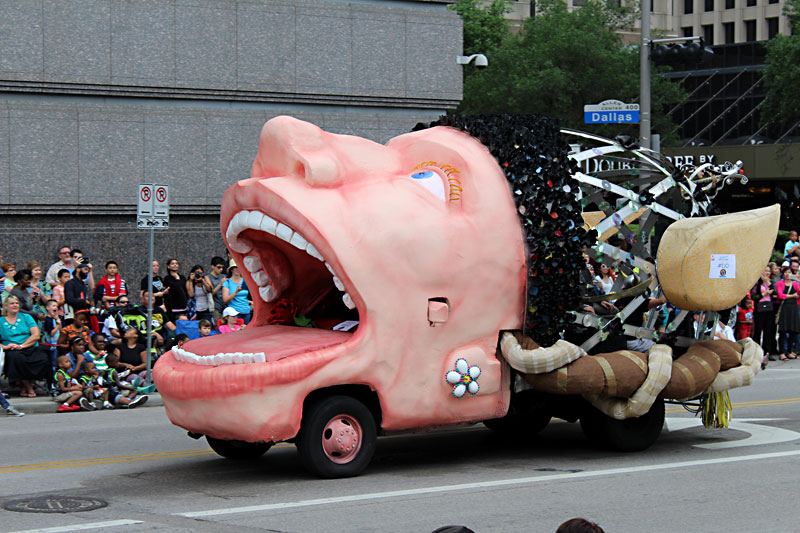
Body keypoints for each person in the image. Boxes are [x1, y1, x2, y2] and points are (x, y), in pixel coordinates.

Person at [0, 295, 50, 397]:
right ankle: (28, 387)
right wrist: (4, 347)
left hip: (28, 345)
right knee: (17, 359)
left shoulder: (26, 317)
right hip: (10, 348)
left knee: (43, 359)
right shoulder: (1, 321)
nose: (15, 305)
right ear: (6, 306)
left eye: (17, 303)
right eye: (12, 303)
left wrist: (22, 346)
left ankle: (26, 385)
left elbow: (36, 335)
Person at [751, 267, 777, 363]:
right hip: (759, 309)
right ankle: (756, 353)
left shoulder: (772, 282)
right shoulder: (757, 283)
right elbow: (753, 296)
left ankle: (767, 352)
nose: (767, 273)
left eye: (768, 271)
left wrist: (768, 283)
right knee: (758, 331)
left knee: (768, 331)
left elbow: (776, 293)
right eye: (765, 271)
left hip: (769, 308)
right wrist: (764, 294)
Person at [776, 265, 800, 360]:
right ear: (782, 274)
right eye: (786, 272)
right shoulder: (780, 283)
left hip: (794, 308)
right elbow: (780, 295)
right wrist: (792, 296)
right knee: (783, 331)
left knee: (793, 330)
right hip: (784, 308)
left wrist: (798, 281)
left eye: (789, 272)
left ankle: (789, 351)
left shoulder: (795, 284)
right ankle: (782, 352)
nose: (787, 274)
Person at [42, 299, 61, 371]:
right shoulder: (47, 320)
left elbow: (60, 329)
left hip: (56, 345)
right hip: (51, 346)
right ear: (47, 308)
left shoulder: (54, 319)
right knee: (52, 363)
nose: (55, 308)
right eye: (53, 306)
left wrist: (57, 319)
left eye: (56, 306)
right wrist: (57, 325)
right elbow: (51, 333)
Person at [207, 256, 227, 322]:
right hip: (215, 306)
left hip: (225, 305)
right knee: (219, 326)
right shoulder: (208, 277)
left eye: (222, 267)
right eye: (218, 267)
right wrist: (220, 284)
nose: (221, 269)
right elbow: (211, 293)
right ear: (213, 266)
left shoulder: (223, 276)